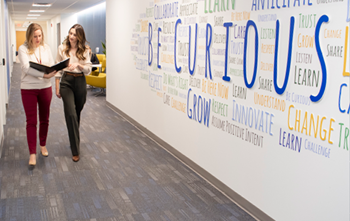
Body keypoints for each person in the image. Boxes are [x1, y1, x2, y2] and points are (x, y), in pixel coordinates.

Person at [18, 23, 57, 167]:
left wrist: (52, 72)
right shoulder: (22, 49)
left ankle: (43, 145)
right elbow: (26, 68)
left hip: (45, 88)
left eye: (39, 35)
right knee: (31, 121)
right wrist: (44, 75)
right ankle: (32, 153)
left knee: (45, 119)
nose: (37, 39)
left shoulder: (46, 48)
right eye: (35, 36)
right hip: (28, 88)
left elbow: (51, 63)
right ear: (29, 36)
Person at [55, 24, 92, 162]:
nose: (71, 36)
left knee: (76, 114)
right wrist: (57, 86)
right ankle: (75, 149)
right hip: (66, 82)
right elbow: (58, 68)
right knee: (70, 114)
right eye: (70, 33)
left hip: (80, 82)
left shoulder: (85, 50)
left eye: (75, 34)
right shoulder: (62, 48)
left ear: (79, 36)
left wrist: (79, 65)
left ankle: (74, 139)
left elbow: (88, 69)